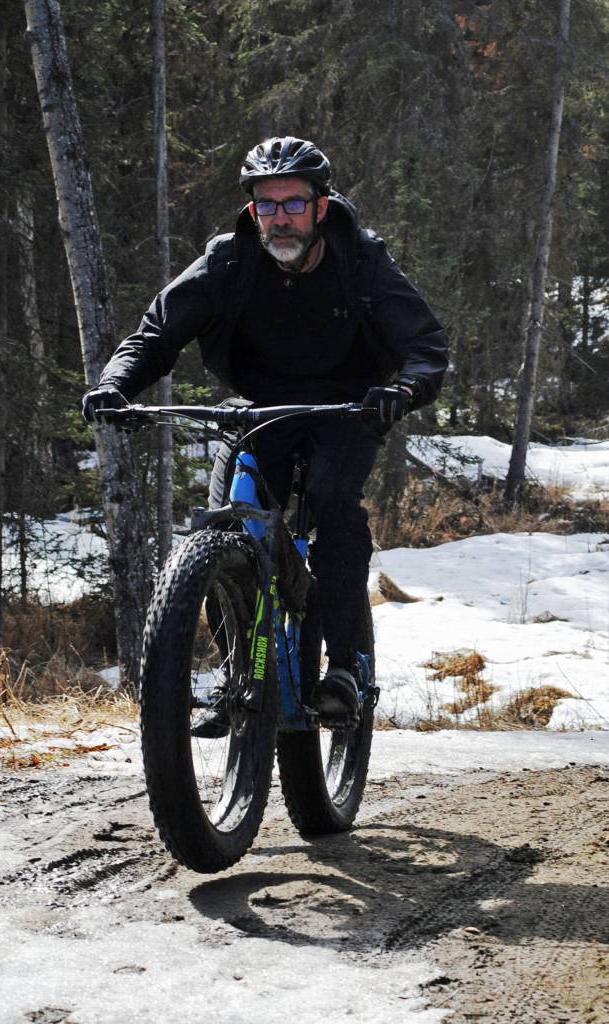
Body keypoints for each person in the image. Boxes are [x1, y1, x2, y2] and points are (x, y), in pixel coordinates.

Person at [83, 135, 448, 734]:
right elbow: (156, 334)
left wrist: (401, 391)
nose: (280, 217)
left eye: (293, 203)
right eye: (267, 205)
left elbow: (424, 346)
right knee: (226, 525)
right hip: (257, 408)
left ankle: (347, 665)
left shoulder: (361, 260)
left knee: (333, 504)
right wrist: (116, 385)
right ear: (253, 210)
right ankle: (236, 674)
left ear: (320, 207)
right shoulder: (228, 262)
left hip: (348, 407)